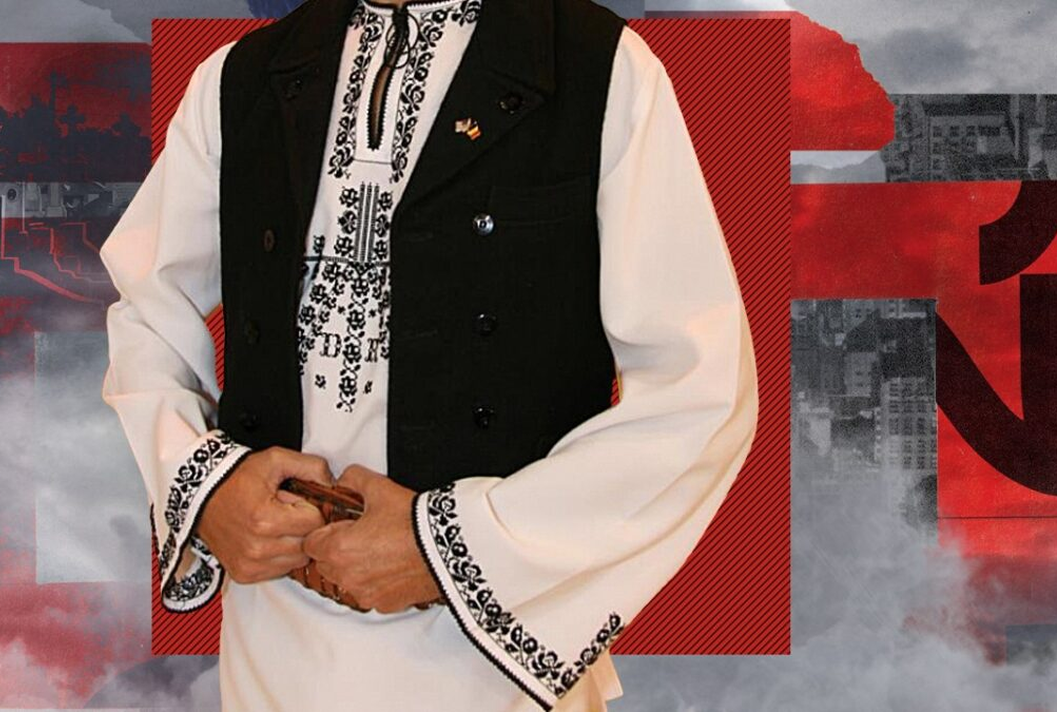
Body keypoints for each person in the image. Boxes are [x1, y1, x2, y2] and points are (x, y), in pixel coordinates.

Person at [98, 0, 759, 709]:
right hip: (273, 647)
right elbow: (147, 308)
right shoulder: (240, 79)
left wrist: (448, 549)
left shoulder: (600, 68)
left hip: (490, 662)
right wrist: (207, 489)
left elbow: (700, 390)